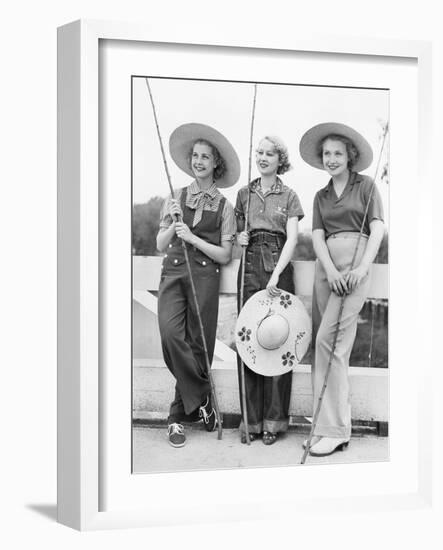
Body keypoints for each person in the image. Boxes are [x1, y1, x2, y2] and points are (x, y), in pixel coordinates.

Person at [299, 122, 385, 457]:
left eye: (337, 153)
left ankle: (336, 430)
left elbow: (376, 229)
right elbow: (317, 236)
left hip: (354, 268)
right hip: (328, 271)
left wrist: (362, 267)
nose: (331, 158)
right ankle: (324, 427)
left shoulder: (366, 186)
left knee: (328, 342)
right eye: (326, 154)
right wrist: (331, 270)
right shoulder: (320, 195)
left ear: (350, 156)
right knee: (326, 347)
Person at [157, 123, 239, 448]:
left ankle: (176, 418)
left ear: (215, 163)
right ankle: (204, 396)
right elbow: (161, 243)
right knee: (169, 334)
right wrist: (173, 223)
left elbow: (225, 253)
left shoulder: (225, 207)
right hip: (173, 272)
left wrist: (192, 237)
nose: (199, 161)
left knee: (197, 344)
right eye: (195, 156)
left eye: (205, 157)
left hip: (205, 276)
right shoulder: (175, 196)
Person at [235, 136, 304, 445]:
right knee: (248, 338)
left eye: (269, 153)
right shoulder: (243, 194)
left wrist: (276, 274)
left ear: (280, 160)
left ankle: (273, 423)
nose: (262, 157)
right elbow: (236, 233)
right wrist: (240, 239)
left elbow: (292, 239)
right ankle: (250, 421)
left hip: (278, 262)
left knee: (279, 337)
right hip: (248, 263)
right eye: (259, 152)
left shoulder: (289, 195)